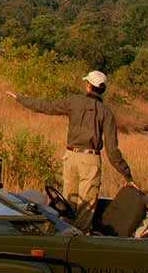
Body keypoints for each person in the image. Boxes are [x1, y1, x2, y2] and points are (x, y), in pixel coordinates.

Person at [8, 69, 133, 216]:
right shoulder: (106, 113)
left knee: (68, 203)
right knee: (86, 206)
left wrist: (21, 99)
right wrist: (127, 176)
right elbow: (112, 150)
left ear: (88, 85)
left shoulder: (74, 102)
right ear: (102, 90)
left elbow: (46, 106)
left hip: (70, 156)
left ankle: (66, 232)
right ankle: (79, 235)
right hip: (90, 160)